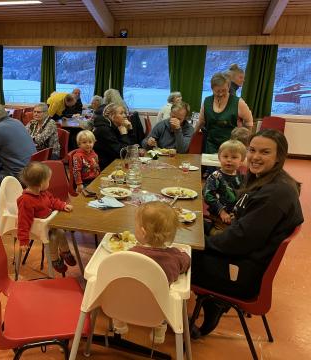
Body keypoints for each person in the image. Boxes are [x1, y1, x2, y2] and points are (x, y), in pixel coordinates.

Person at [190, 129, 304, 339]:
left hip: (242, 273)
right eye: (252, 150)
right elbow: (243, 227)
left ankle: (211, 302)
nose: (255, 156)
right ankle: (213, 302)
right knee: (192, 226)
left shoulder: (275, 194)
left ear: (279, 157)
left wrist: (198, 243)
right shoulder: (267, 181)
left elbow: (237, 241)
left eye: (265, 152)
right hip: (244, 256)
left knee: (180, 255)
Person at [113, 201, 191, 343]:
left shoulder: (131, 254)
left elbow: (117, 271)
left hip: (127, 304)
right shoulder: (174, 257)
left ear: (142, 232)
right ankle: (159, 333)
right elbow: (186, 262)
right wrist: (183, 253)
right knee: (165, 305)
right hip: (157, 309)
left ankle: (119, 324)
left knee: (119, 291)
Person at [17, 162, 76, 274]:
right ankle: (55, 260)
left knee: (61, 232)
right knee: (53, 238)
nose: (49, 182)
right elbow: (23, 221)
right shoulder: (25, 201)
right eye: (48, 180)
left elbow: (52, 201)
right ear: (40, 184)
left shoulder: (43, 192)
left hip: (49, 224)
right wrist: (23, 240)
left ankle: (65, 252)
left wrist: (63, 205)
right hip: (39, 229)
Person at [196, 72, 253, 154]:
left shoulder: (238, 102)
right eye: (217, 91)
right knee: (210, 166)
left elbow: (249, 122)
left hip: (231, 145)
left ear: (229, 87)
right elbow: (201, 122)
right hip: (211, 144)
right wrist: (191, 138)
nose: (220, 93)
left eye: (224, 90)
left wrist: (246, 142)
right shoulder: (207, 101)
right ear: (212, 89)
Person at [203, 140, 247, 234]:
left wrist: (238, 213)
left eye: (234, 157)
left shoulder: (241, 177)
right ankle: (211, 230)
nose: (229, 160)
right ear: (219, 158)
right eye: (225, 156)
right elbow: (208, 195)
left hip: (235, 216)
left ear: (241, 161)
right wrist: (221, 211)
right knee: (220, 235)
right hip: (218, 214)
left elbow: (244, 196)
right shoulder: (215, 176)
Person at [93, 103, 132, 170]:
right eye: (121, 113)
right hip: (104, 168)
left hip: (114, 163)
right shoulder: (104, 130)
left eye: (124, 113)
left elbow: (132, 148)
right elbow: (123, 154)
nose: (125, 116)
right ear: (112, 116)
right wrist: (124, 135)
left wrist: (130, 129)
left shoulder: (116, 127)